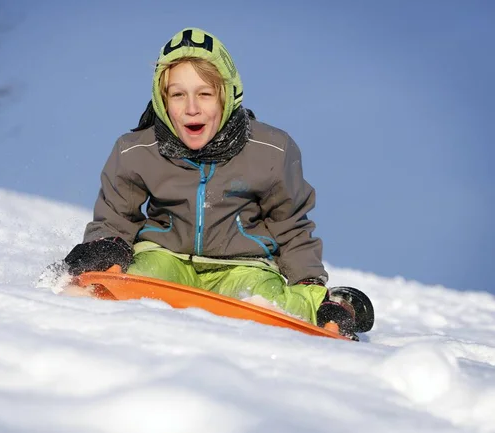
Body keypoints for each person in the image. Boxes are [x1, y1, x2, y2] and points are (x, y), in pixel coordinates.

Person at [63, 28, 373, 339]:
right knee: (126, 280)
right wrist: (105, 245)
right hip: (165, 257)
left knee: (275, 302)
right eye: (178, 94)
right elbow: (117, 215)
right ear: (161, 99)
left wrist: (309, 285)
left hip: (244, 266)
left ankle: (339, 305)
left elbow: (290, 227)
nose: (191, 107)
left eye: (205, 93)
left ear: (228, 94)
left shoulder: (272, 149)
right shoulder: (136, 150)